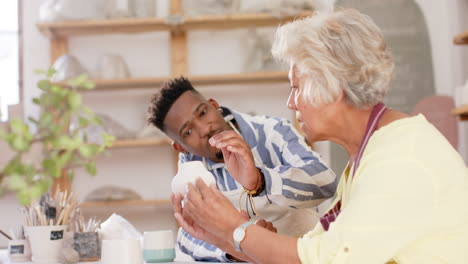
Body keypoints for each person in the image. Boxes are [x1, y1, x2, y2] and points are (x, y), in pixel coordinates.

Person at [172, 8, 468, 264]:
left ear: (333, 85)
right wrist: (220, 234)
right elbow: (312, 248)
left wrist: (233, 229)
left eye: (297, 87)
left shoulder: (401, 159)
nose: (292, 102)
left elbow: (321, 260)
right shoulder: (368, 156)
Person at [148, 77, 337, 261]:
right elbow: (188, 238)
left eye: (203, 113)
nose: (205, 129)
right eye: (188, 132)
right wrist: (239, 248)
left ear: (214, 105)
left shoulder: (271, 131)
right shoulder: (191, 169)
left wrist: (261, 180)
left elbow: (326, 181)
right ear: (181, 147)